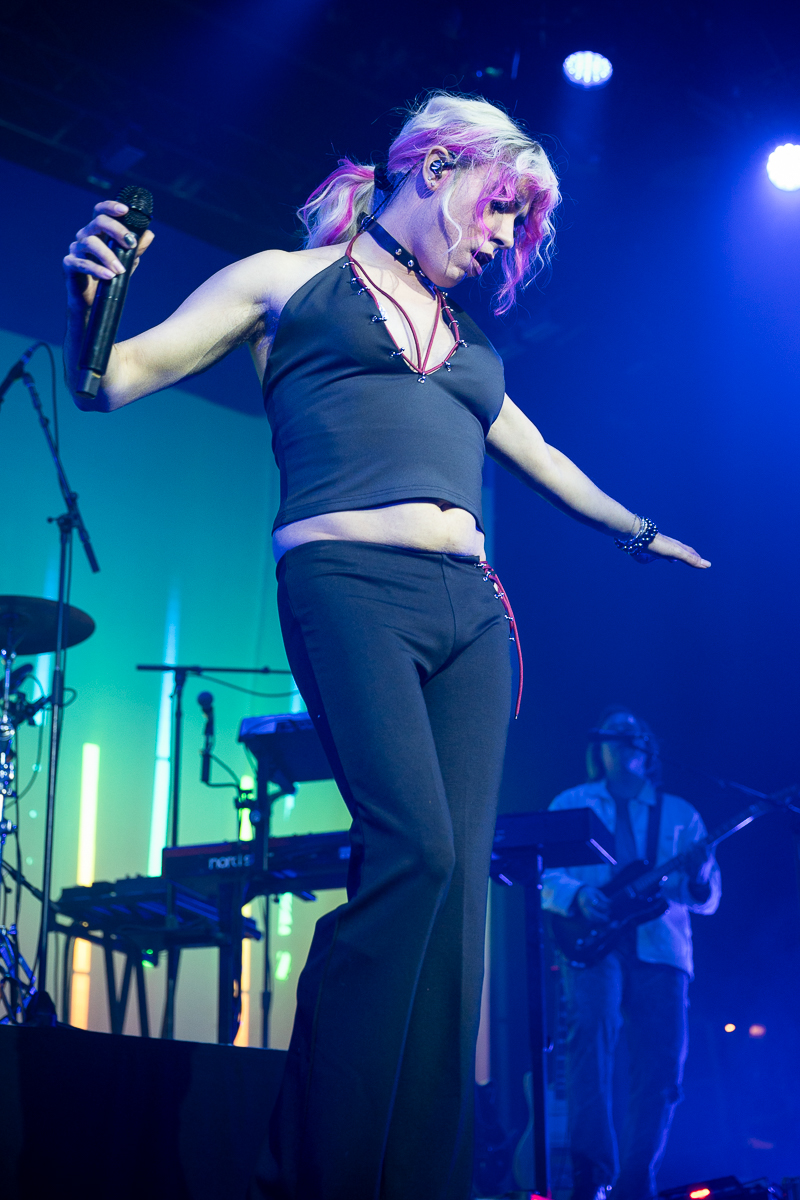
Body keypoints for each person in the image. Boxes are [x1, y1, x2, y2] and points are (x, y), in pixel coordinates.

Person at [63, 93, 710, 1200]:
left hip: (474, 618)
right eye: (500, 207)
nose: (503, 238)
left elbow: (544, 458)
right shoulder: (285, 281)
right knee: (414, 852)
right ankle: (315, 1169)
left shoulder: (470, 346)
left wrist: (641, 533)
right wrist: (91, 301)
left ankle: (420, 1182)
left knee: (457, 903)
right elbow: (109, 379)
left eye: (518, 225)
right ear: (436, 167)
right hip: (349, 586)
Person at [542, 708, 721, 1200]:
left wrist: (699, 876)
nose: (623, 739)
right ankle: (591, 1178)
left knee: (661, 1068)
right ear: (598, 747)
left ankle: (635, 1185)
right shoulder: (571, 803)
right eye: (613, 733)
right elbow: (544, 871)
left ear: (648, 748)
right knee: (589, 1045)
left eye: (632, 733)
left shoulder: (681, 814)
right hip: (592, 942)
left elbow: (706, 897)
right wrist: (577, 896)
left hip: (661, 948)